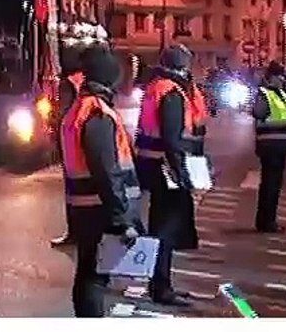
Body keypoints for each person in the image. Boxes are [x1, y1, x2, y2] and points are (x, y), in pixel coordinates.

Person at [58, 47, 141, 317]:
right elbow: (107, 170)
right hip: (99, 208)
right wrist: (122, 218)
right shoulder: (97, 113)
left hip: (81, 207)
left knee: (87, 273)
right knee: (95, 276)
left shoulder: (78, 111)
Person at [134, 43, 208, 306]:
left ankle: (159, 283)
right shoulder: (172, 92)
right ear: (181, 66)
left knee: (160, 227)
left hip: (152, 166)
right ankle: (161, 286)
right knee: (165, 231)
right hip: (166, 169)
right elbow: (172, 138)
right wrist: (183, 174)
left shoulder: (156, 86)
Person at [251, 61, 286, 233]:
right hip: (270, 145)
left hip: (280, 145)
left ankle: (269, 219)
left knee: (274, 185)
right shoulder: (265, 93)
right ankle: (266, 221)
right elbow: (258, 112)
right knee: (270, 185)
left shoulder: (282, 93)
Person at [51, 49, 87, 247]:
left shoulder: (68, 84)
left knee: (74, 194)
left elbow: (63, 114)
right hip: (89, 141)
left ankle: (75, 233)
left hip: (73, 143)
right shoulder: (90, 81)